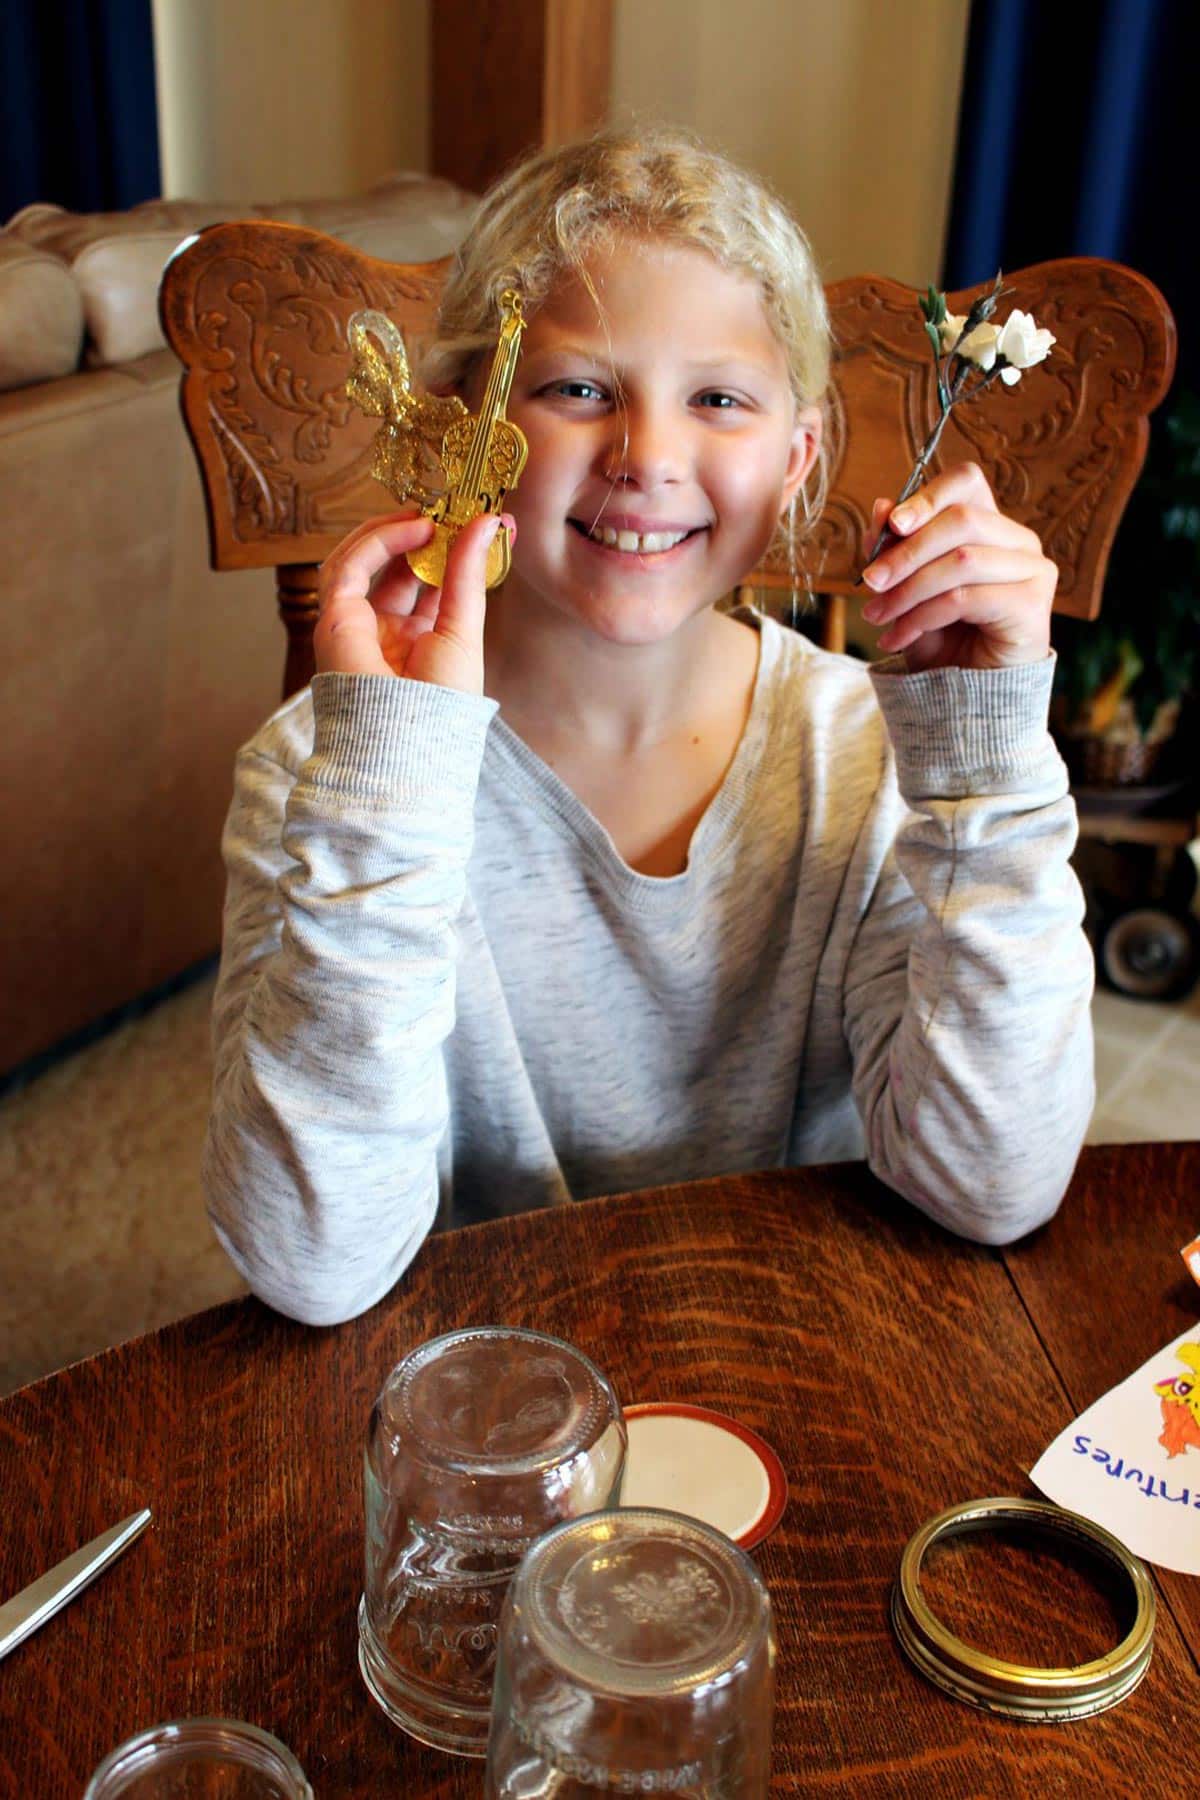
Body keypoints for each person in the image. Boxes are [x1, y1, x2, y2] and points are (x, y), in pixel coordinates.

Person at [203, 127, 1094, 1325]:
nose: (648, 458)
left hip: (801, 1356)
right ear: (466, 426)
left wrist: (985, 771)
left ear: (798, 456)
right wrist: (387, 792)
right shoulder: (333, 771)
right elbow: (310, 1264)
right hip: (479, 1392)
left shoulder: (876, 762)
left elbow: (989, 1188)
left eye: (718, 398)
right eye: (578, 389)